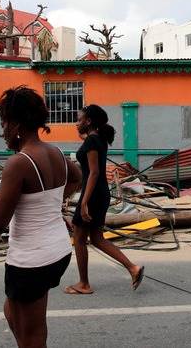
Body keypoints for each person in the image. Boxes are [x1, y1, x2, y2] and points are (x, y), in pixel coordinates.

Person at [0, 86, 83, 348]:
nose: (3, 130)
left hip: (31, 261)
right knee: (13, 312)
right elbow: (76, 178)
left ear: (17, 125)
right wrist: (53, 205)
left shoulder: (19, 163)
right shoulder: (56, 153)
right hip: (57, 252)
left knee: (32, 337)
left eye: (4, 123)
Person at [64, 104, 145, 295]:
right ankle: (133, 268)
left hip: (92, 195)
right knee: (97, 238)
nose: (76, 123)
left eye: (79, 119)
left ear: (89, 121)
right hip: (101, 193)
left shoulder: (92, 142)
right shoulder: (97, 139)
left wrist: (83, 201)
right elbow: (91, 157)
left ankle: (84, 284)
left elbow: (93, 173)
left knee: (79, 238)